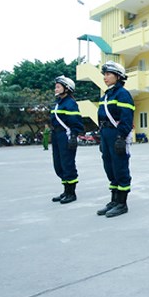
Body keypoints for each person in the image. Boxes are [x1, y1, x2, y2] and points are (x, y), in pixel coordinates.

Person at [95, 61, 135, 218]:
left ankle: (122, 203)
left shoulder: (122, 94)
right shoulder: (105, 96)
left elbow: (126, 118)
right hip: (106, 134)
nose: (105, 77)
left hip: (117, 134)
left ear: (118, 76)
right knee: (109, 167)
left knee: (120, 167)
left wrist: (121, 137)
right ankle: (114, 200)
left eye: (108, 74)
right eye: (104, 74)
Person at [49, 76, 84, 204]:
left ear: (67, 88)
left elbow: (76, 122)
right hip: (57, 135)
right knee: (58, 164)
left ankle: (71, 192)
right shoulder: (58, 103)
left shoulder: (70, 103)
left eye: (58, 86)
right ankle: (65, 191)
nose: (55, 88)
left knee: (67, 163)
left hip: (66, 135)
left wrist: (74, 136)